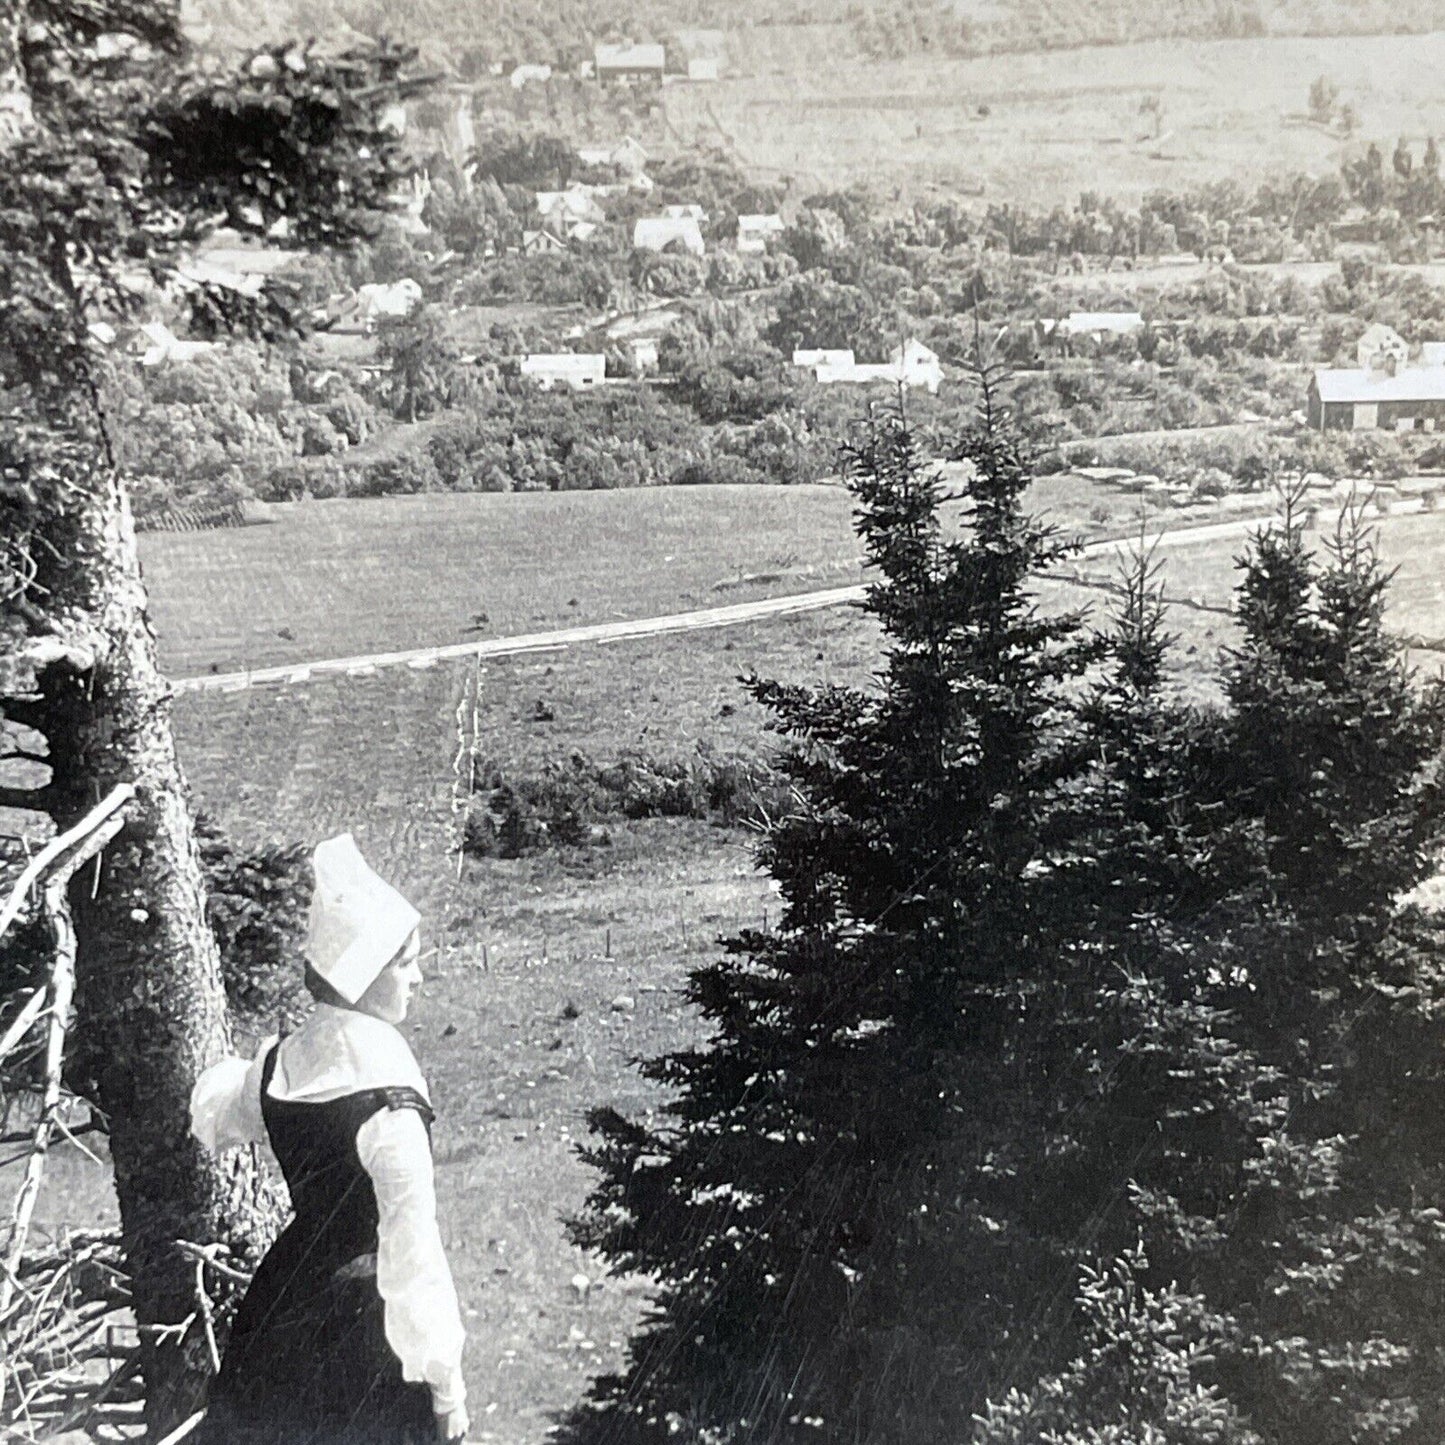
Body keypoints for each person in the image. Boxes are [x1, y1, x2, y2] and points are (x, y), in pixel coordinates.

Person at [190, 833, 469, 1445]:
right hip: (366, 1332)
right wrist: (446, 1389)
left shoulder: (280, 1064)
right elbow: (413, 1252)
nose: (417, 977)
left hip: (281, 1306)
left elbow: (217, 1110)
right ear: (364, 973)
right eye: (405, 962)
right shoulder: (389, 1092)